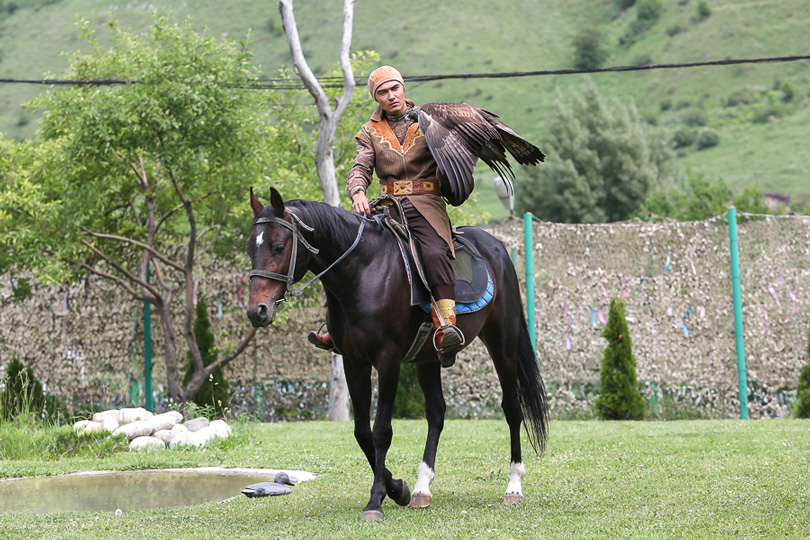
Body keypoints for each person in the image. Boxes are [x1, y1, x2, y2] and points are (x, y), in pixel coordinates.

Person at [309, 65, 463, 367]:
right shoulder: (369, 131)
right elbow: (361, 168)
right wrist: (358, 192)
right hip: (386, 207)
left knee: (433, 253)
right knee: (347, 255)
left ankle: (446, 327)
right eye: (383, 92)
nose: (391, 96)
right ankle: (334, 326)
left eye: (395, 88)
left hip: (427, 205)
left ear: (403, 88)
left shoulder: (430, 121)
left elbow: (452, 155)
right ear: (376, 98)